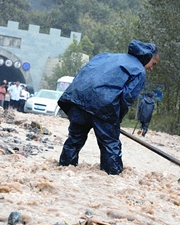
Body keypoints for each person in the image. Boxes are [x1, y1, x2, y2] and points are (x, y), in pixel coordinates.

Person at [58, 40, 160, 175]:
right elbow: (126, 98)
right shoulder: (139, 71)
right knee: (110, 146)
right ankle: (112, 178)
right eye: (153, 64)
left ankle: (63, 170)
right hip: (104, 107)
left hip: (78, 101)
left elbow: (83, 74)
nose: (151, 68)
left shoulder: (105, 56)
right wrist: (116, 120)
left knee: (74, 140)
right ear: (147, 57)